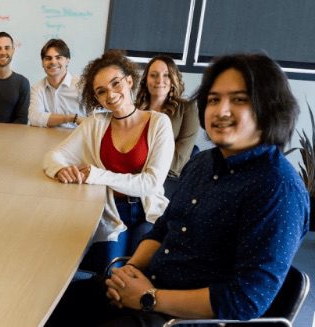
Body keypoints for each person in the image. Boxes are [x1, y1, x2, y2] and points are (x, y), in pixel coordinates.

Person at [48, 53, 309, 326]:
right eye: (213, 99)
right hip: (148, 288)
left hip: (180, 317)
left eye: (239, 99)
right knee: (49, 307)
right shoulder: (204, 162)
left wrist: (147, 298)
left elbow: (244, 300)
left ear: (269, 107)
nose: (220, 111)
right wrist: (130, 272)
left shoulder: (278, 189)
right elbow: (163, 228)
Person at [43, 50, 174, 274]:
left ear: (130, 80)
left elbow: (151, 183)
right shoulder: (95, 124)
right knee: (111, 272)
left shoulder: (159, 122)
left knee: (141, 271)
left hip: (149, 211)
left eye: (116, 84)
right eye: (101, 91)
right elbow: (52, 157)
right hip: (112, 212)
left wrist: (96, 175)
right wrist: (60, 170)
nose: (111, 95)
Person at [135, 55, 199, 178]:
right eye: (153, 75)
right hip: (130, 177)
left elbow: (178, 162)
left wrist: (138, 159)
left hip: (166, 179)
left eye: (166, 75)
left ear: (173, 79)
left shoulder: (187, 109)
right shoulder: (134, 109)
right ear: (145, 81)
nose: (159, 80)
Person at [28, 38, 84, 128]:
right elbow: (34, 118)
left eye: (58, 57)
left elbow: (95, 118)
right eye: (48, 58)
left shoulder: (82, 85)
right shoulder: (37, 88)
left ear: (67, 60)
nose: (53, 62)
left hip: (77, 139)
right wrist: (71, 118)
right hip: (46, 139)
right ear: (42, 63)